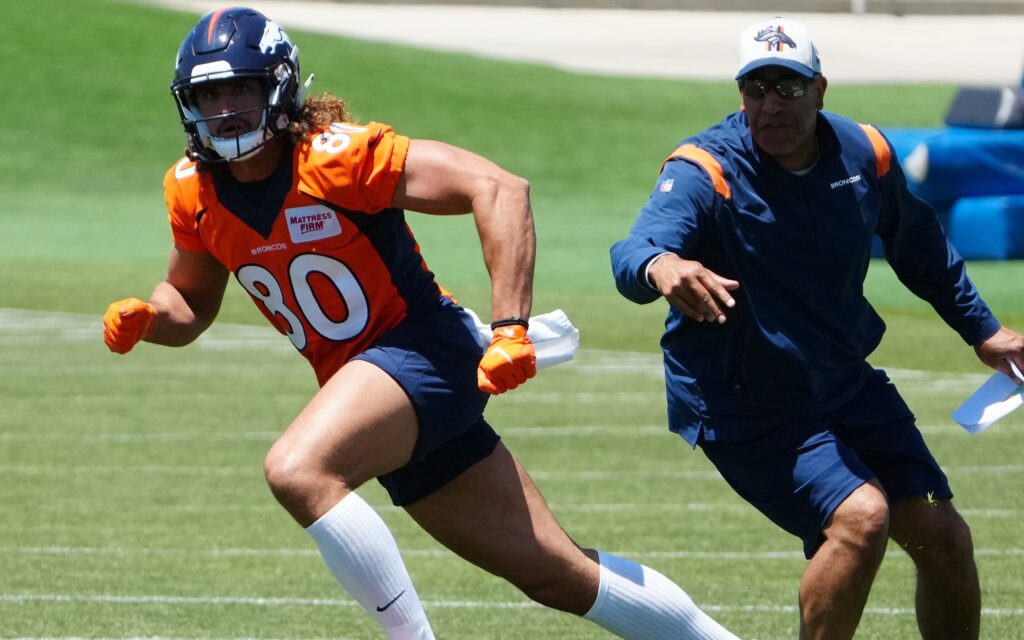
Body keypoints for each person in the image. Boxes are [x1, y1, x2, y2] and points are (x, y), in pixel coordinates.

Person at [102, 7, 740, 640]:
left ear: (279, 87)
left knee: (297, 469)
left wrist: (511, 326)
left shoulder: (336, 157)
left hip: (418, 350)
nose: (226, 109)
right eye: (209, 94)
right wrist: (151, 317)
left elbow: (498, 188)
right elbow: (190, 303)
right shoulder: (191, 188)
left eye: (240, 87)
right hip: (374, 386)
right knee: (558, 574)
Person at [610, 15, 1024, 640]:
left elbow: (921, 249)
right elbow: (635, 249)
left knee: (944, 537)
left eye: (788, 88)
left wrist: (983, 330)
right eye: (755, 89)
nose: (770, 105)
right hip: (747, 400)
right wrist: (662, 265)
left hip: (842, 381)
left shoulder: (867, 153)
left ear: (820, 89)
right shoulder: (706, 168)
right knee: (862, 519)